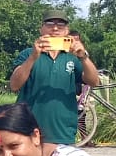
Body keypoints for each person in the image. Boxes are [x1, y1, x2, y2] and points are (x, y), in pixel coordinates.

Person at [10, 9, 100, 147]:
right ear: (41, 29)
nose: (55, 28)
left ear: (66, 31)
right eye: (50, 24)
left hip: (63, 131)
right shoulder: (27, 54)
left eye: (61, 25)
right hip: (28, 129)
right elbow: (14, 85)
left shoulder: (73, 57)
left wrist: (83, 57)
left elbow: (94, 81)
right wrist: (33, 57)